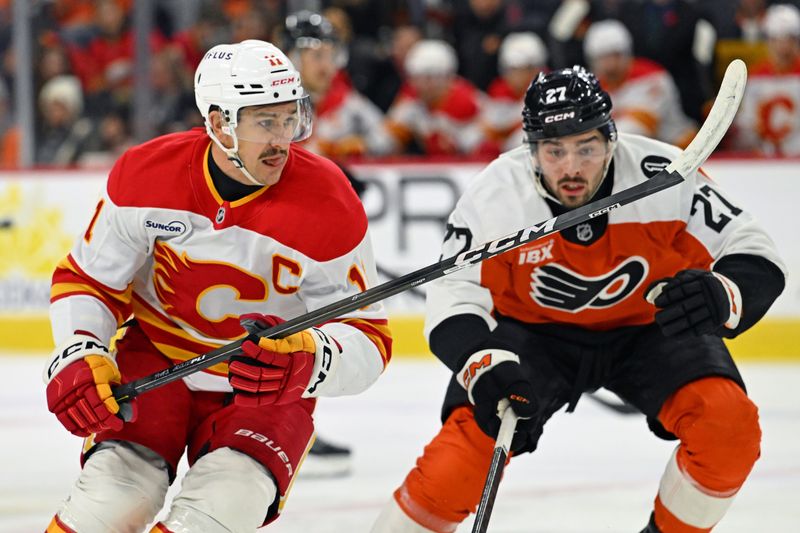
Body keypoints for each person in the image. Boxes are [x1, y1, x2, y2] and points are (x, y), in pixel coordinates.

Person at [371, 65, 786, 533]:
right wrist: (481, 361)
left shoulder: (661, 174)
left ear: (612, 139)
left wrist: (723, 293)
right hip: (533, 335)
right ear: (531, 151)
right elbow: (453, 294)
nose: (570, 168)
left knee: (727, 427)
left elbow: (754, 251)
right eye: (554, 150)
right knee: (461, 458)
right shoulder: (496, 196)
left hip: (650, 330)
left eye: (586, 148)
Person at [43, 39, 392, 533]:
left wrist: (309, 359)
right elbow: (89, 280)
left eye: (289, 118)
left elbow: (370, 339)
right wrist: (80, 351)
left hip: (264, 388)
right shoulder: (146, 176)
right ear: (218, 123)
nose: (282, 140)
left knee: (214, 516)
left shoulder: (330, 204)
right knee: (104, 507)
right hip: (155, 361)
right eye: (264, 122)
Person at [583, 19, 697, 148]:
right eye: (603, 59)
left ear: (627, 54)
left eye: (616, 56)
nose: (611, 65)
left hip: (680, 149)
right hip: (638, 154)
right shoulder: (592, 88)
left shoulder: (651, 77)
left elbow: (639, 127)